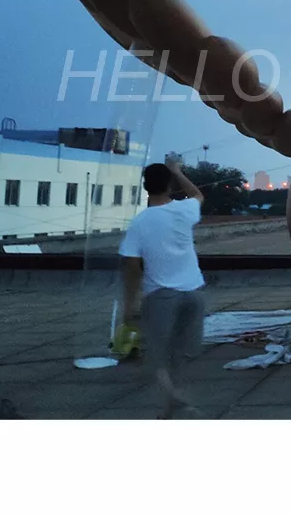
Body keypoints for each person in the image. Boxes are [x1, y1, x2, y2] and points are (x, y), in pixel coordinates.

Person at [119, 159, 206, 419]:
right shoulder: (185, 210)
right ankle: (169, 412)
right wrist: (178, 170)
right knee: (178, 356)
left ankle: (180, 404)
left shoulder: (140, 222)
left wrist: (130, 304)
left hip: (161, 296)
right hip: (194, 292)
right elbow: (198, 195)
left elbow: (132, 266)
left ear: (145, 186)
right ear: (169, 185)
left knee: (156, 359)